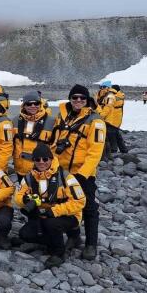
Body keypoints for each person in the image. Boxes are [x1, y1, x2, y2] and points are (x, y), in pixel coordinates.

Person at [53, 84, 105, 260]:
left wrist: (82, 174)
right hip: (63, 172)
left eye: (82, 98)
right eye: (75, 97)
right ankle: (74, 237)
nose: (78, 101)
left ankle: (91, 244)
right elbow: (54, 143)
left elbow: (95, 152)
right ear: (70, 99)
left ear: (87, 100)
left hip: (83, 174)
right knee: (66, 204)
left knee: (89, 208)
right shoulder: (62, 117)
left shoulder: (95, 122)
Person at [15, 143, 86, 268]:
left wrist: (55, 211)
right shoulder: (29, 178)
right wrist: (26, 199)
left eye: (45, 159)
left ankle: (59, 252)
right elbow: (17, 197)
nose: (41, 162)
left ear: (51, 159)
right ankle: (49, 243)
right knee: (25, 234)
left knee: (51, 224)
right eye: (37, 159)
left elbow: (80, 201)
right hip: (43, 215)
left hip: (68, 215)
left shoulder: (66, 177)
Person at [12, 91, 56, 179]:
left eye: (36, 103)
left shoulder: (51, 121)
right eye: (29, 104)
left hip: (41, 170)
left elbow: (54, 146)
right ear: (24, 105)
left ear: (40, 104)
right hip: (20, 169)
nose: (33, 106)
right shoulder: (15, 120)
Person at [107, 84, 128, 154]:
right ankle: (123, 149)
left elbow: (108, 107)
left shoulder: (113, 97)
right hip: (118, 118)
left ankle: (113, 150)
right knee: (117, 134)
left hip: (112, 119)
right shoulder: (121, 96)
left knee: (111, 134)